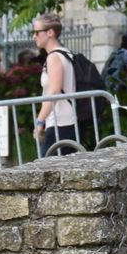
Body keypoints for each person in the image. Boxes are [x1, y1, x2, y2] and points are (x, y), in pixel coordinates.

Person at [32, 14, 80, 152]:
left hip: (60, 122)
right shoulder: (66, 53)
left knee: (45, 164)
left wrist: (39, 121)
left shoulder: (54, 57)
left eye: (37, 32)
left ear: (50, 33)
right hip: (66, 121)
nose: (34, 36)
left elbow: (54, 92)